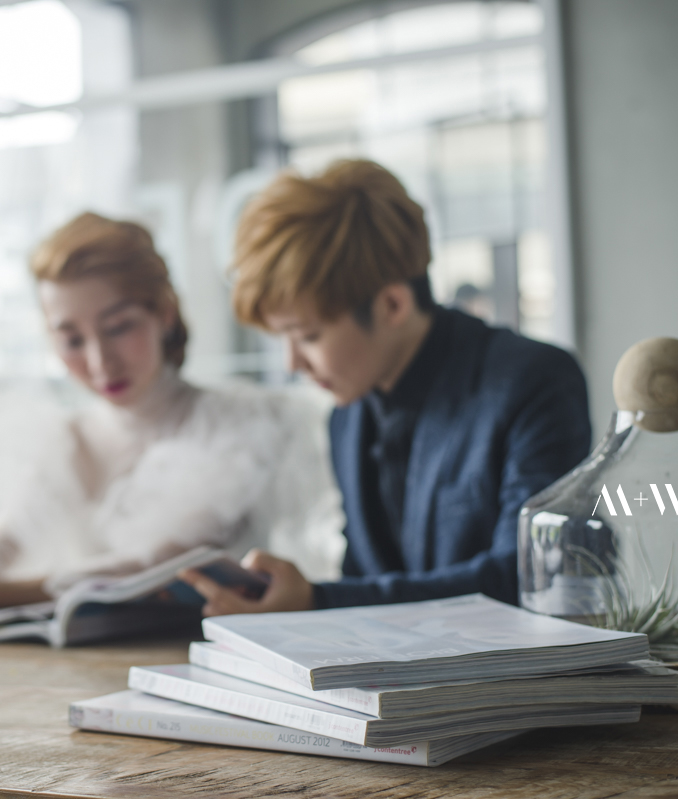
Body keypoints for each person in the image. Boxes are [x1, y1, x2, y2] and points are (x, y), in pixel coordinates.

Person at [0, 212, 341, 625]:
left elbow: (146, 573)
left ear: (165, 313)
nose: (101, 362)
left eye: (118, 327)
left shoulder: (237, 426)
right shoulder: (65, 439)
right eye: (71, 340)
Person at [180, 159, 591, 615]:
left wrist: (318, 601)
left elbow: (526, 577)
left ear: (393, 304)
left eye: (308, 336)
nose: (292, 363)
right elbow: (364, 579)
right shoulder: (348, 416)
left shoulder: (533, 380)